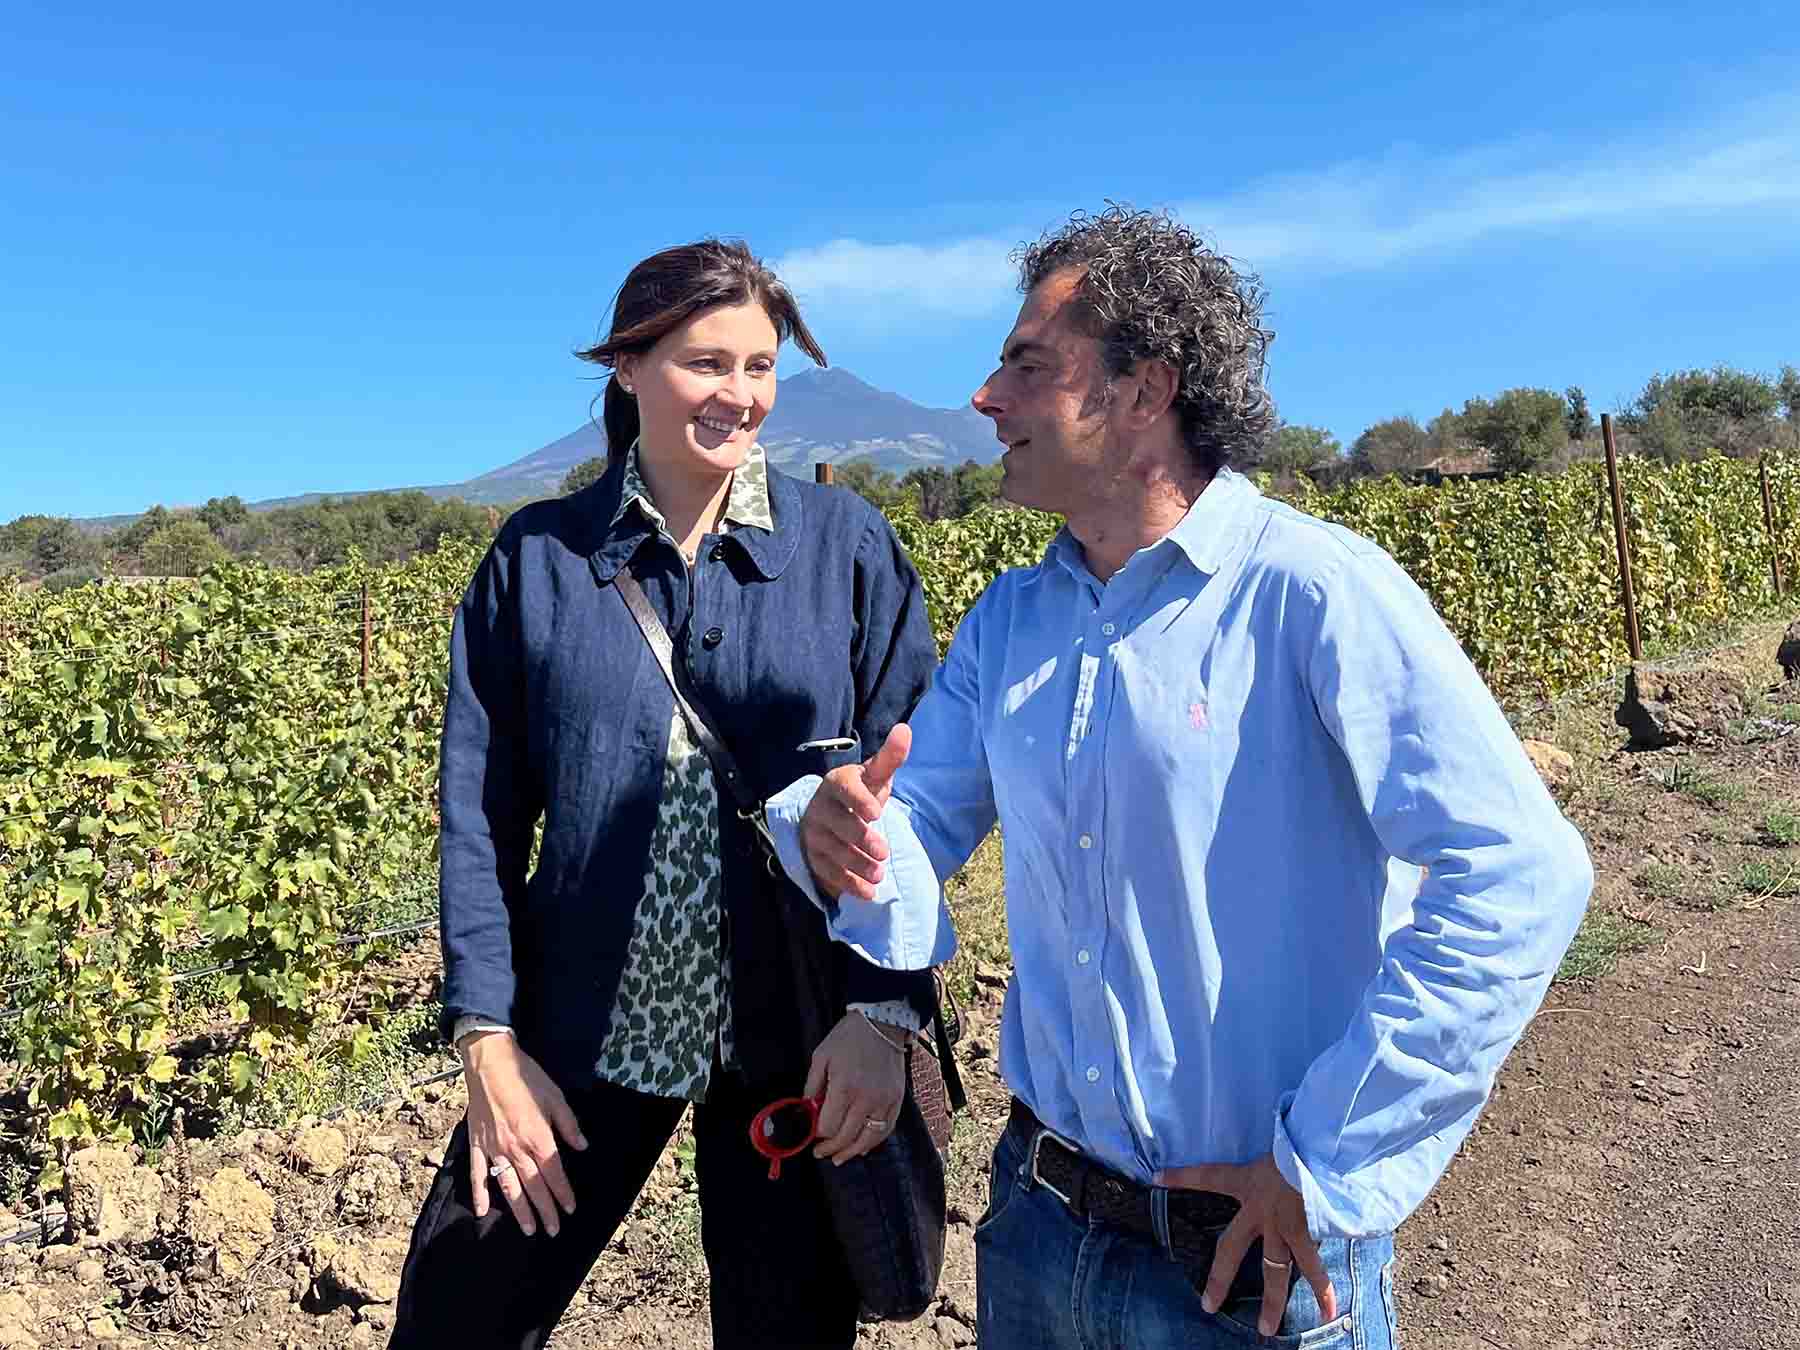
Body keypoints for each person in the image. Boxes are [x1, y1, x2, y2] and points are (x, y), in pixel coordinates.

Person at [770, 206, 1593, 1350]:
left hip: (1249, 1266)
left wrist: (1328, 1162)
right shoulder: (1012, 622)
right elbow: (913, 836)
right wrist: (838, 833)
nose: (984, 397)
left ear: (1141, 390)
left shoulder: (1313, 594)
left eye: (1026, 364)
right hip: (1039, 1230)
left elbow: (1519, 876)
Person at [389, 239, 950, 1350]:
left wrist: (882, 1016)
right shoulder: (535, 561)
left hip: (798, 1033)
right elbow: (480, 820)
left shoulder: (847, 548)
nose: (740, 394)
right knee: (457, 1318)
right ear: (629, 369)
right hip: (581, 1028)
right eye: (706, 363)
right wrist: (488, 1042)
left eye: (760, 366)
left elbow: (919, 802)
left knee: (785, 1330)